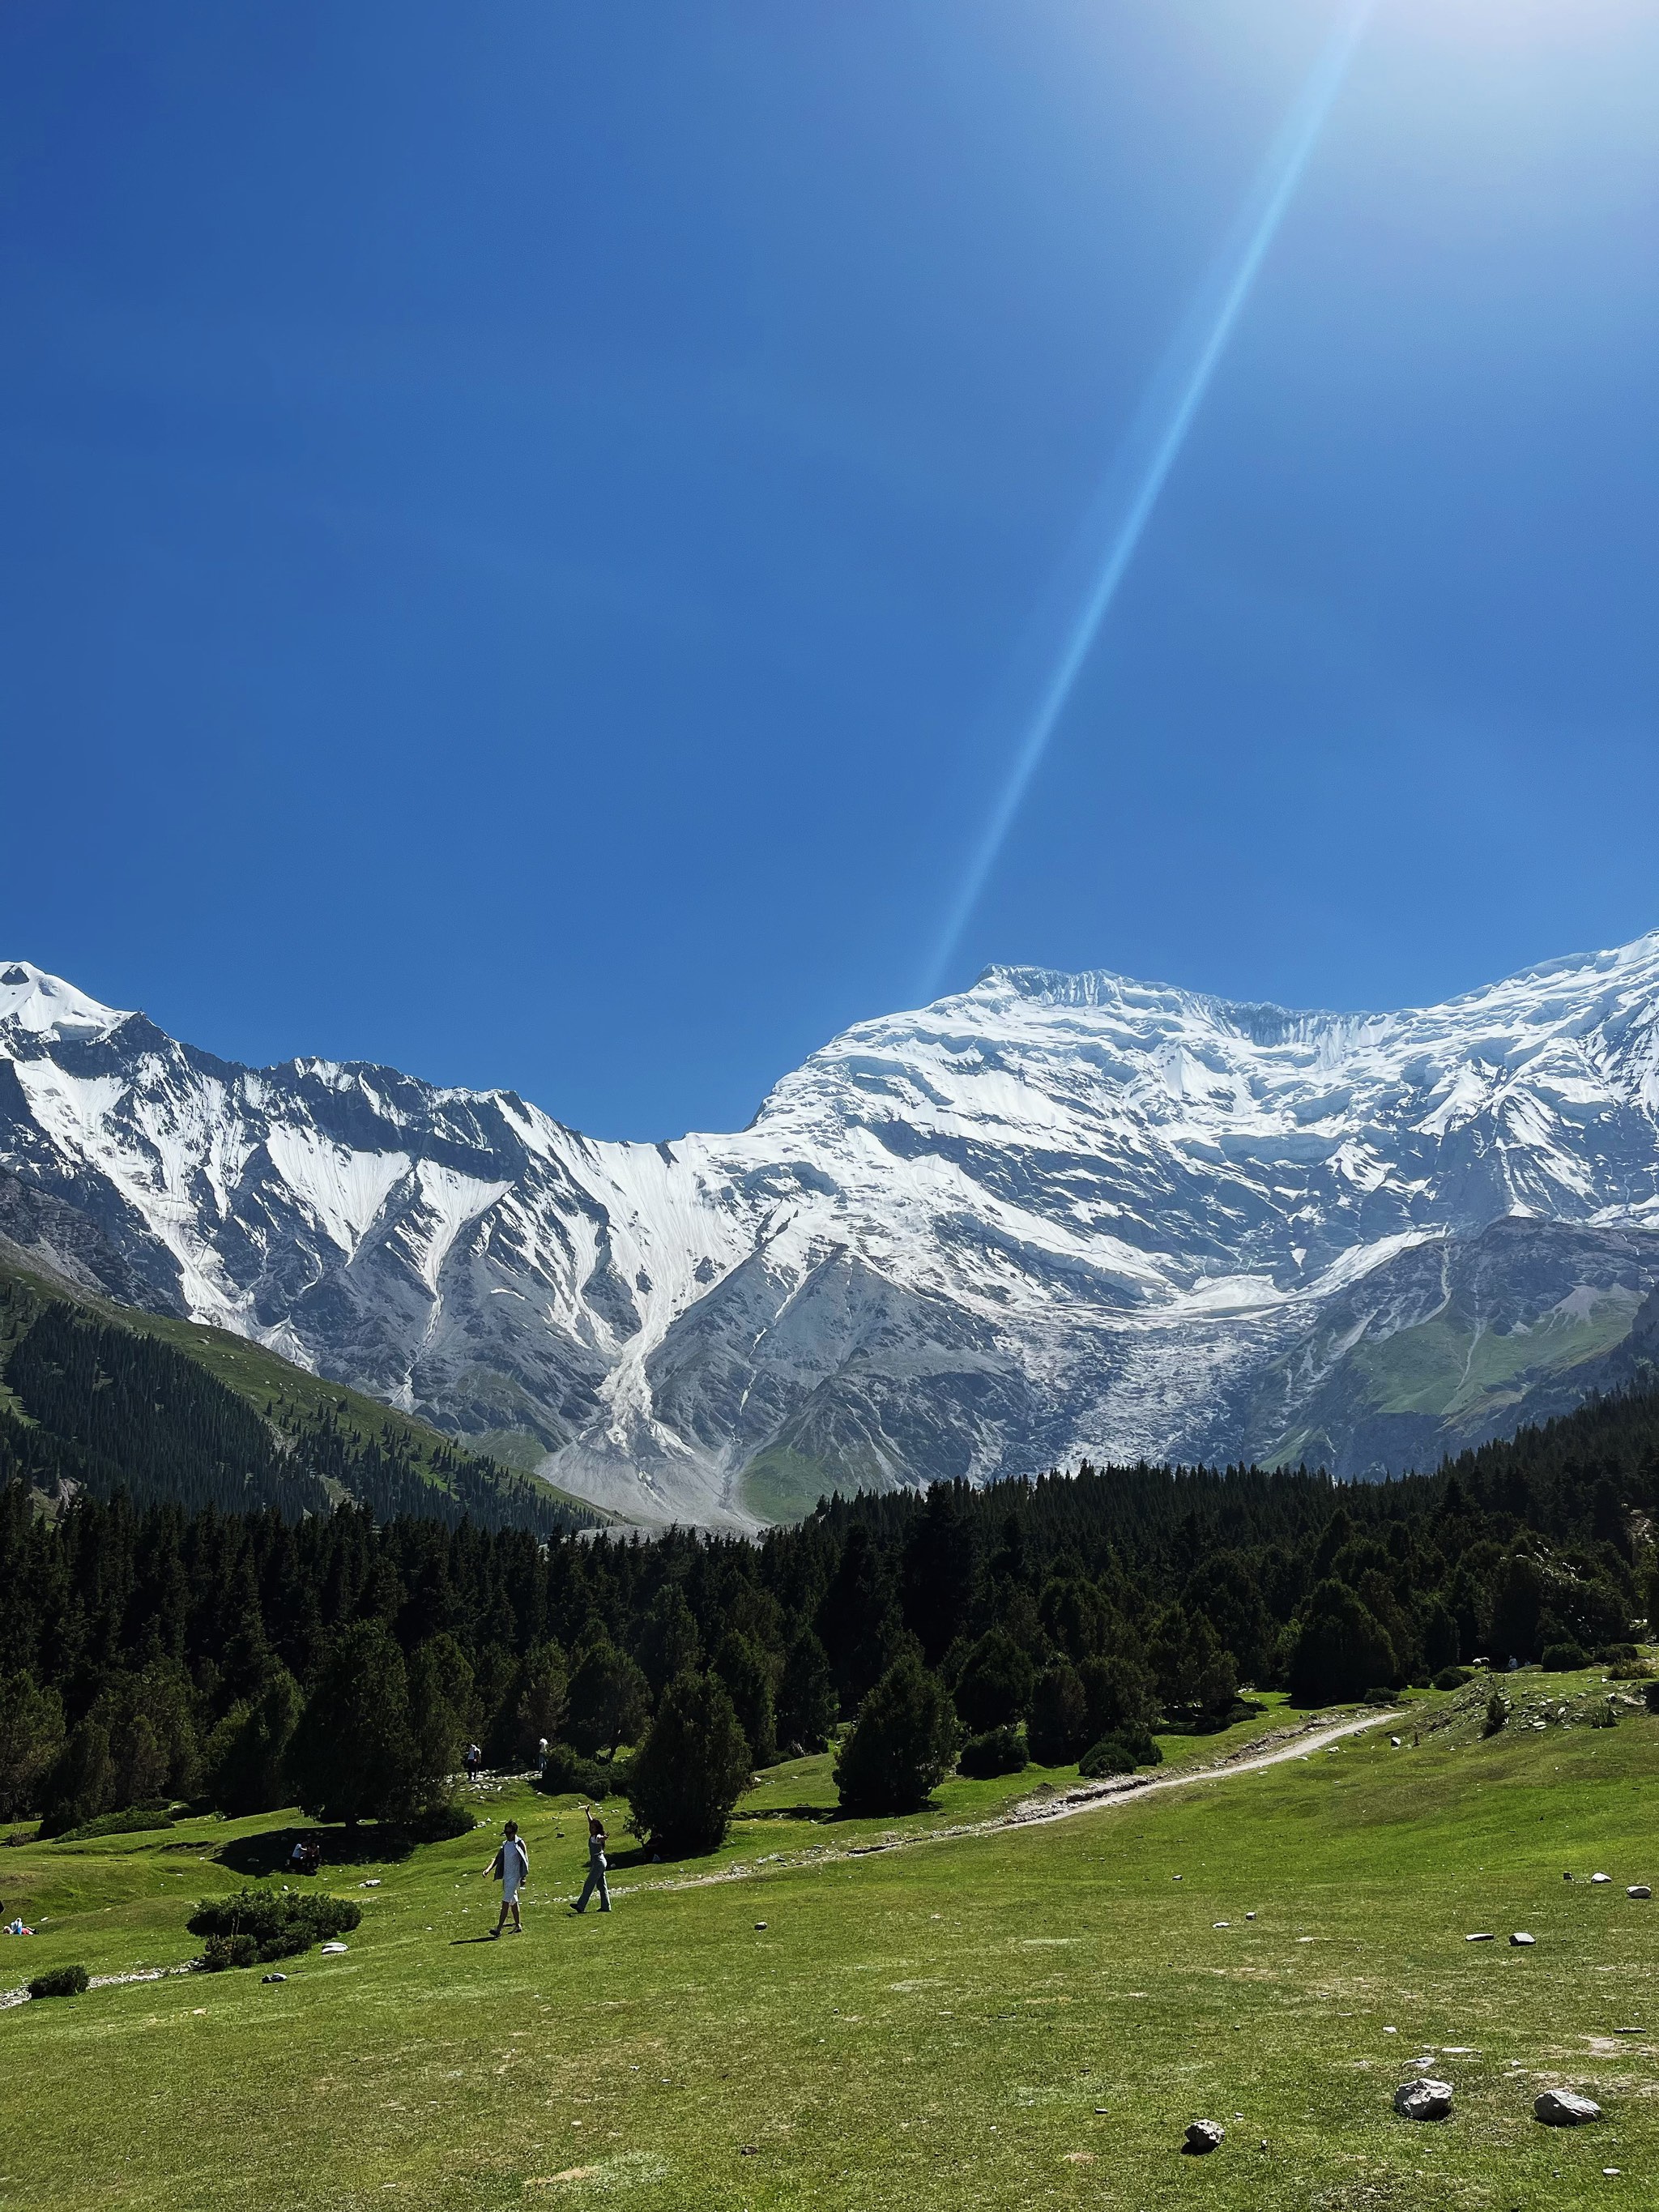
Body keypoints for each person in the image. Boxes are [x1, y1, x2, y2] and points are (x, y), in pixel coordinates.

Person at [485, 1818, 529, 1937]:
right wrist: (488, 1870)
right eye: (506, 1833)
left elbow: (525, 1860)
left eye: (509, 1833)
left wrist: (523, 1877)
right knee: (513, 1901)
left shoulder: (519, 1843)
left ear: (514, 1832)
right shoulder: (505, 1845)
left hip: (515, 1877)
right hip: (506, 1877)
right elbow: (497, 1858)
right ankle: (518, 1925)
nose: (507, 1835)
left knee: (505, 1902)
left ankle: (498, 1929)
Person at [573, 1803, 610, 1915]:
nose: (591, 1829)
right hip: (601, 1862)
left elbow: (601, 1838)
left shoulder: (597, 1837)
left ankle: (581, 1905)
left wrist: (605, 1838)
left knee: (589, 1884)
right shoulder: (594, 1835)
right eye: (590, 1827)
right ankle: (606, 1906)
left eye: (593, 1828)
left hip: (598, 1863)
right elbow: (591, 1821)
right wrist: (587, 1813)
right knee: (601, 1885)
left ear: (597, 1829)